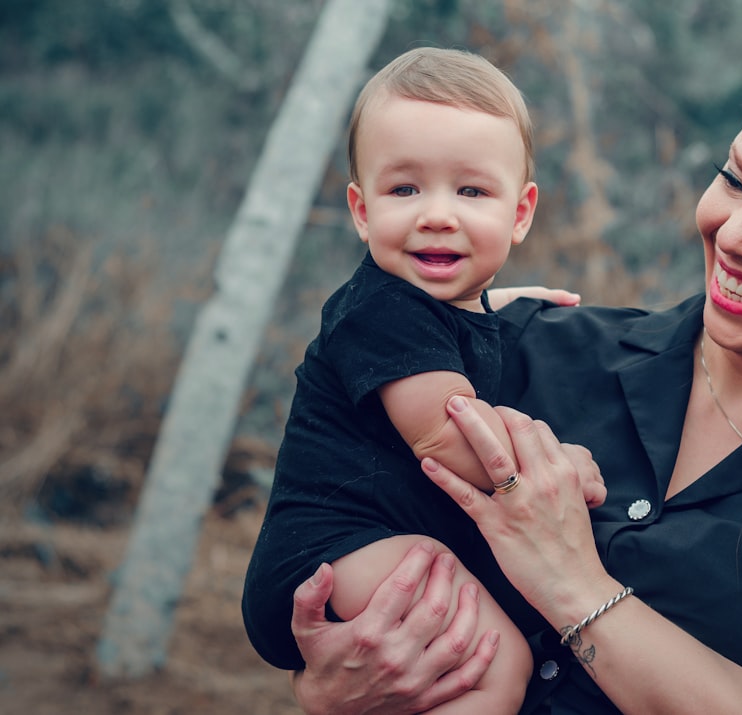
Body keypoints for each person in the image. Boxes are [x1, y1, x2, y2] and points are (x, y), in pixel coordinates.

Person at [246, 39, 742, 714]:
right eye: (733, 179)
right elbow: (347, 538)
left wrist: (575, 587)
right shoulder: (520, 353)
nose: (735, 233)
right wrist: (333, 687)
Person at [241, 46, 588, 714]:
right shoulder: (377, 309)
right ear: (362, 208)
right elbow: (444, 432)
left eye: (471, 191)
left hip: (364, 548)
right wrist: (559, 465)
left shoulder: (420, 310)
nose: (437, 213)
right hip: (327, 552)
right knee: (498, 659)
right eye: (405, 188)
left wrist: (499, 302)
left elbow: (445, 325)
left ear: (519, 214)